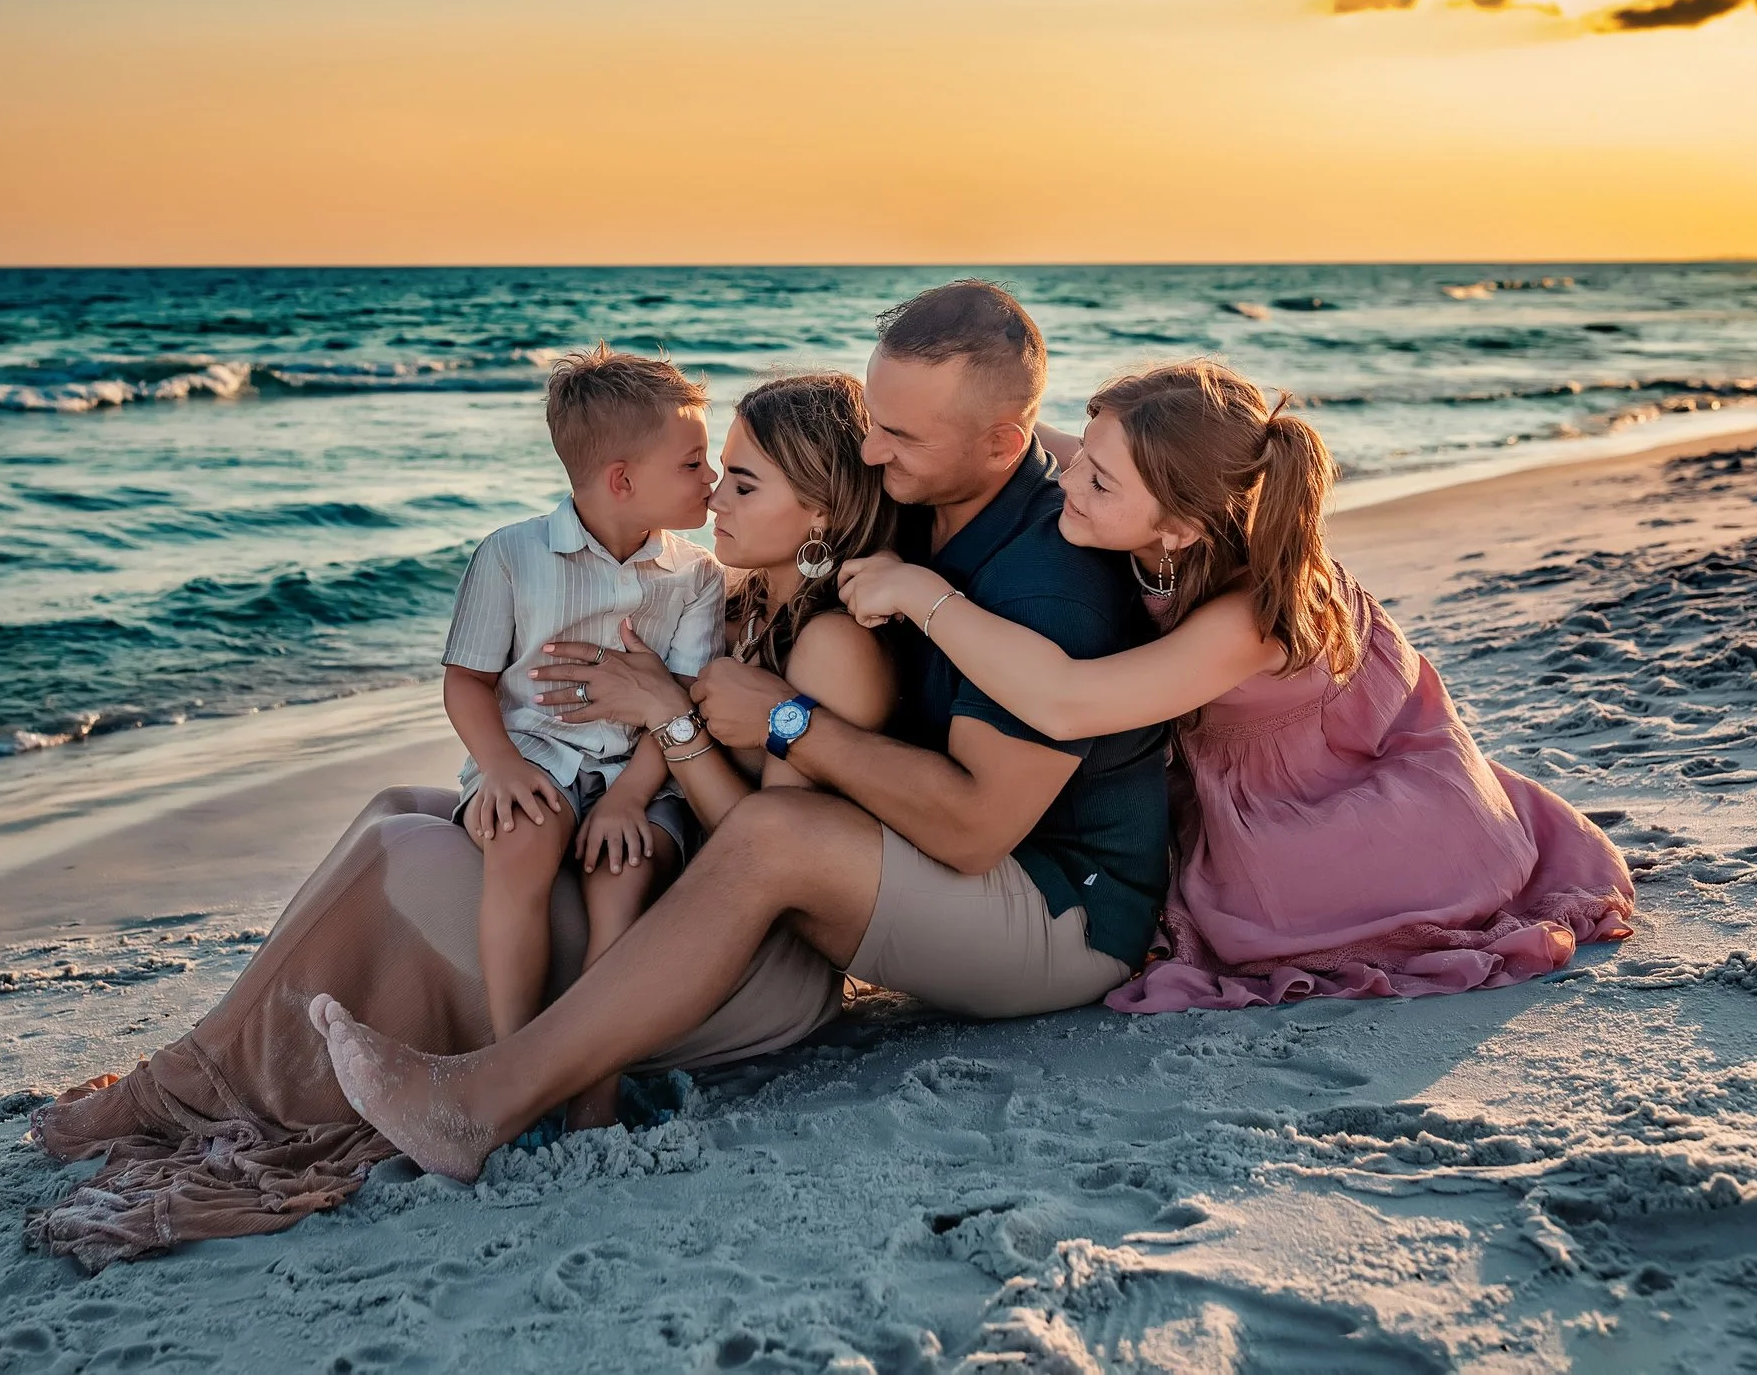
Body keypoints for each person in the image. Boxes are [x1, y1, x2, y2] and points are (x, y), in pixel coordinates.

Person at [310, 281, 1174, 1185]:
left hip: (1059, 907)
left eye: (901, 437)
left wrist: (771, 721)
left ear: (1002, 444)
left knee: (771, 835)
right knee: (418, 813)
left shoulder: (1048, 586)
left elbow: (972, 831)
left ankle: (483, 1102)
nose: (874, 453)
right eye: (874, 421)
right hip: (943, 854)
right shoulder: (931, 480)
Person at [27, 371, 896, 1269]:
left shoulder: (827, 641)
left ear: (821, 510)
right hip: (669, 881)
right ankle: (201, 1068)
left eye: (741, 481)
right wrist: (566, 748)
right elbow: (500, 693)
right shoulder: (746, 596)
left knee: (400, 857)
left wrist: (666, 726)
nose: (714, 487)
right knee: (392, 816)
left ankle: (464, 1081)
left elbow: (771, 852)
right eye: (712, 468)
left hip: (723, 952)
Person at [835, 357, 1636, 1011]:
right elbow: (1000, 439)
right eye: (1085, 454)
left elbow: (1064, 699)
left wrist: (918, 593)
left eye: (1097, 482)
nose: (1066, 486)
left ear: (1180, 527)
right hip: (1227, 769)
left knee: (1266, 926)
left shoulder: (1251, 614)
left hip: (1330, 796)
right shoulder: (1146, 487)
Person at [441, 346, 725, 1129]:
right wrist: (497, 766)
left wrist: (632, 798)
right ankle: (515, 1056)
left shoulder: (696, 576)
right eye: (694, 462)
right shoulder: (511, 555)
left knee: (623, 872)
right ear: (622, 480)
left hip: (644, 765)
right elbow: (466, 680)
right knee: (522, 840)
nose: (714, 478)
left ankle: (594, 1083)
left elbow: (682, 705)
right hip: (532, 752)